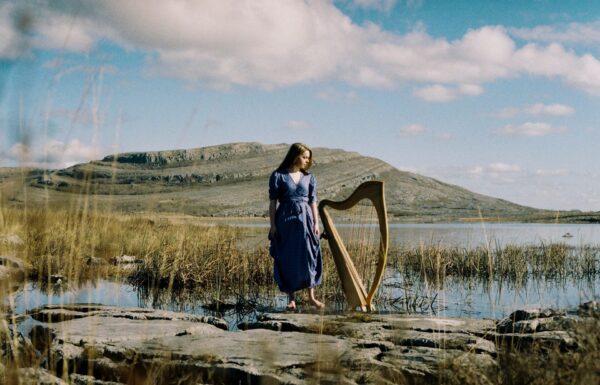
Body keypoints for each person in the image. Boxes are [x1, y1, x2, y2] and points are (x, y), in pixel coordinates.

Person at [268, 143, 324, 310]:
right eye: (304, 157)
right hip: (285, 220)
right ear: (295, 156)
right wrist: (273, 225)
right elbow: (272, 203)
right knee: (287, 257)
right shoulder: (278, 176)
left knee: (310, 255)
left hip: (306, 221)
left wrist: (316, 223)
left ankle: (311, 297)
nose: (307, 161)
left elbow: (313, 202)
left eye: (308, 158)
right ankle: (291, 299)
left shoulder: (309, 178)